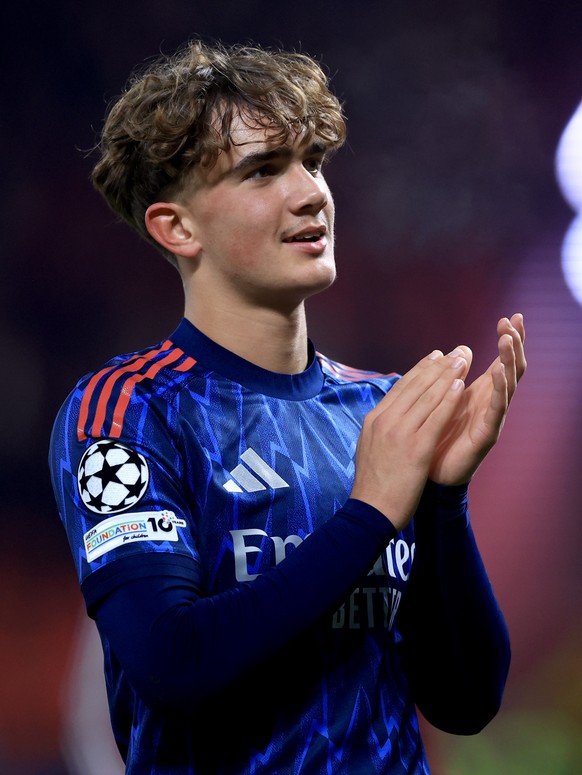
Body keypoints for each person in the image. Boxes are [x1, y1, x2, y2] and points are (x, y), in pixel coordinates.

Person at [49, 39, 526, 775]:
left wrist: (440, 500)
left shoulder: (375, 409)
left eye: (313, 162)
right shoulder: (128, 410)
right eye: (264, 170)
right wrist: (369, 513)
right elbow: (175, 661)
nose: (311, 192)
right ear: (177, 227)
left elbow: (465, 699)